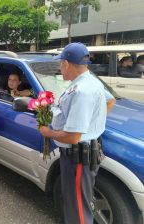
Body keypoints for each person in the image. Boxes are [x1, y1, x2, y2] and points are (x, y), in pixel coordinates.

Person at [38, 43, 115, 224]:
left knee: (78, 210)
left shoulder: (81, 91)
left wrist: (47, 132)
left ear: (66, 63)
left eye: (60, 63)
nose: (59, 67)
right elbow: (110, 101)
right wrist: (91, 121)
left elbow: (73, 137)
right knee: (75, 203)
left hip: (77, 157)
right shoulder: (89, 81)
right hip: (81, 154)